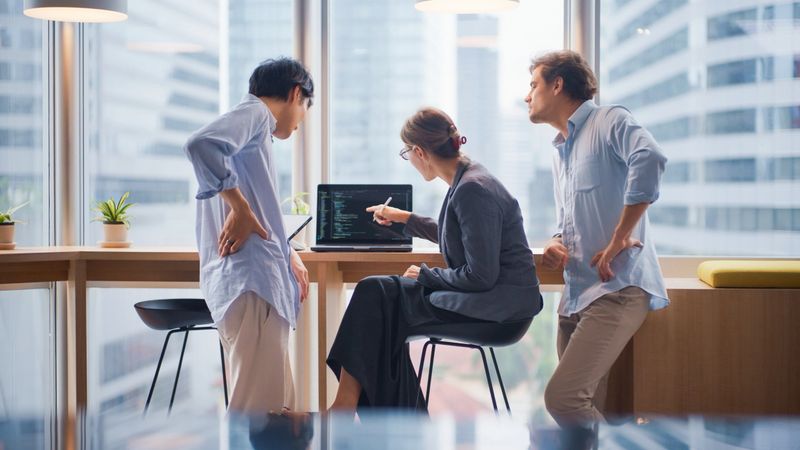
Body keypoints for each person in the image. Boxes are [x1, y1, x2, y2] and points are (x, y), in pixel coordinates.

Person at [326, 107, 543, 412]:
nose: (410, 161)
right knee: (377, 297)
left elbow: (481, 276)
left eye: (407, 154)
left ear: (419, 151)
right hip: (496, 302)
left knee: (377, 298)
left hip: (499, 312)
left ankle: (359, 411)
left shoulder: (472, 189)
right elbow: (456, 233)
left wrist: (427, 275)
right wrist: (404, 218)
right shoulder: (469, 178)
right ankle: (371, 414)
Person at [524, 50, 669, 445]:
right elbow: (567, 222)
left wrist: (621, 236)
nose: (527, 96)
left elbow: (650, 156)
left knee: (563, 400)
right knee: (580, 413)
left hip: (617, 290)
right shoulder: (561, 150)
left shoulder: (609, 120)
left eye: (533, 84)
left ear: (557, 84)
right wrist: (556, 242)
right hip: (576, 294)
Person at [184, 57, 313, 414]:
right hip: (252, 286)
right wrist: (240, 208)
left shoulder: (250, 131)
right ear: (295, 93)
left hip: (247, 285)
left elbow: (261, 210)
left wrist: (288, 254)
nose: (300, 123)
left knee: (277, 410)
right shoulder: (257, 115)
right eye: (304, 108)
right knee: (259, 415)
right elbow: (200, 144)